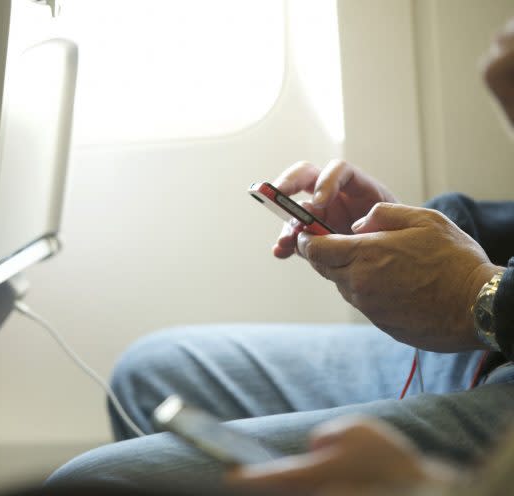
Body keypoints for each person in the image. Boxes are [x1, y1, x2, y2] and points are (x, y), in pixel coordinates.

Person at [46, 17, 514, 495]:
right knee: (151, 370)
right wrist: (421, 231)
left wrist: (481, 294)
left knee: (91, 483)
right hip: (493, 331)